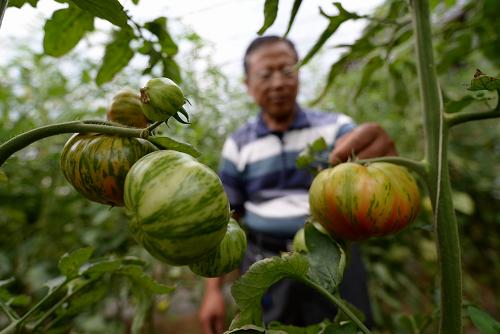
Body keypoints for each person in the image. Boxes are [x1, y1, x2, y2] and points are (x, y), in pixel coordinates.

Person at [198, 35, 397, 334]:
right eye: (266, 74)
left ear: (299, 75)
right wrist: (212, 292)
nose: (278, 83)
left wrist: (383, 163)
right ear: (248, 85)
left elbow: (372, 161)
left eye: (287, 71)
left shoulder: (335, 129)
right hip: (264, 265)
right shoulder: (238, 145)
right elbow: (226, 219)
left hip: (334, 261)